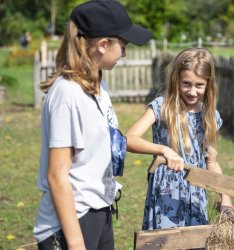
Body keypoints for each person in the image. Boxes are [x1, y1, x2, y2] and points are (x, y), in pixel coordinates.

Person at [33, 1, 153, 249]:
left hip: (99, 210)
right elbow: (57, 175)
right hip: (72, 222)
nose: (125, 53)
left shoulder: (98, 86)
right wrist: (76, 243)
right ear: (102, 45)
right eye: (124, 46)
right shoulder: (68, 94)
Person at [126, 47, 233, 230]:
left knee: (195, 242)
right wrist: (163, 150)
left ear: (208, 84)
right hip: (166, 196)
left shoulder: (209, 115)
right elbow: (129, 139)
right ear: (176, 80)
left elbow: (211, 161)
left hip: (197, 194)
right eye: (186, 83)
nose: (192, 91)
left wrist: (226, 199)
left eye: (199, 85)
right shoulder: (162, 107)